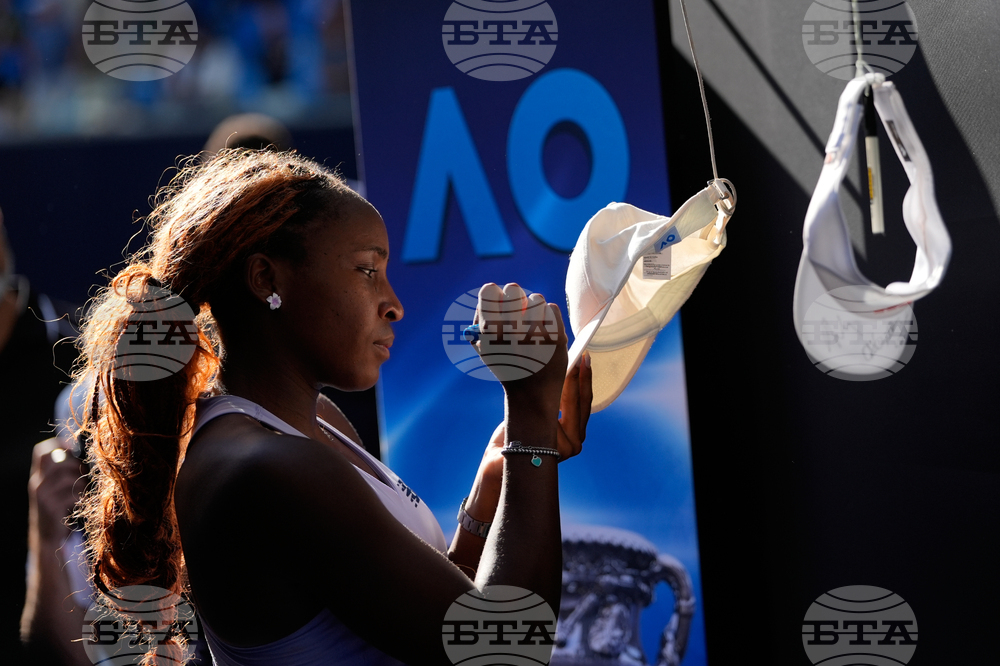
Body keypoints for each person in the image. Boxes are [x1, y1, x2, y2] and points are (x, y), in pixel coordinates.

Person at [72, 148, 593, 665]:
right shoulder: (269, 468)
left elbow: (417, 620)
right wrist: (530, 417)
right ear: (267, 280)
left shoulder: (314, 424)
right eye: (367, 270)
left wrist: (493, 486)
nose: (393, 304)